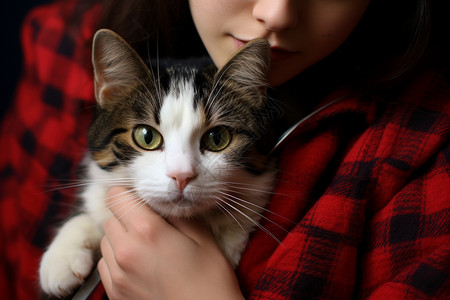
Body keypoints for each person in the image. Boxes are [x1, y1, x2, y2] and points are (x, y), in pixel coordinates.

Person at [0, 0, 449, 299]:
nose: (276, 13)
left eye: (215, 139)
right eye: (148, 139)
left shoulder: (428, 158)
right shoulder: (58, 43)